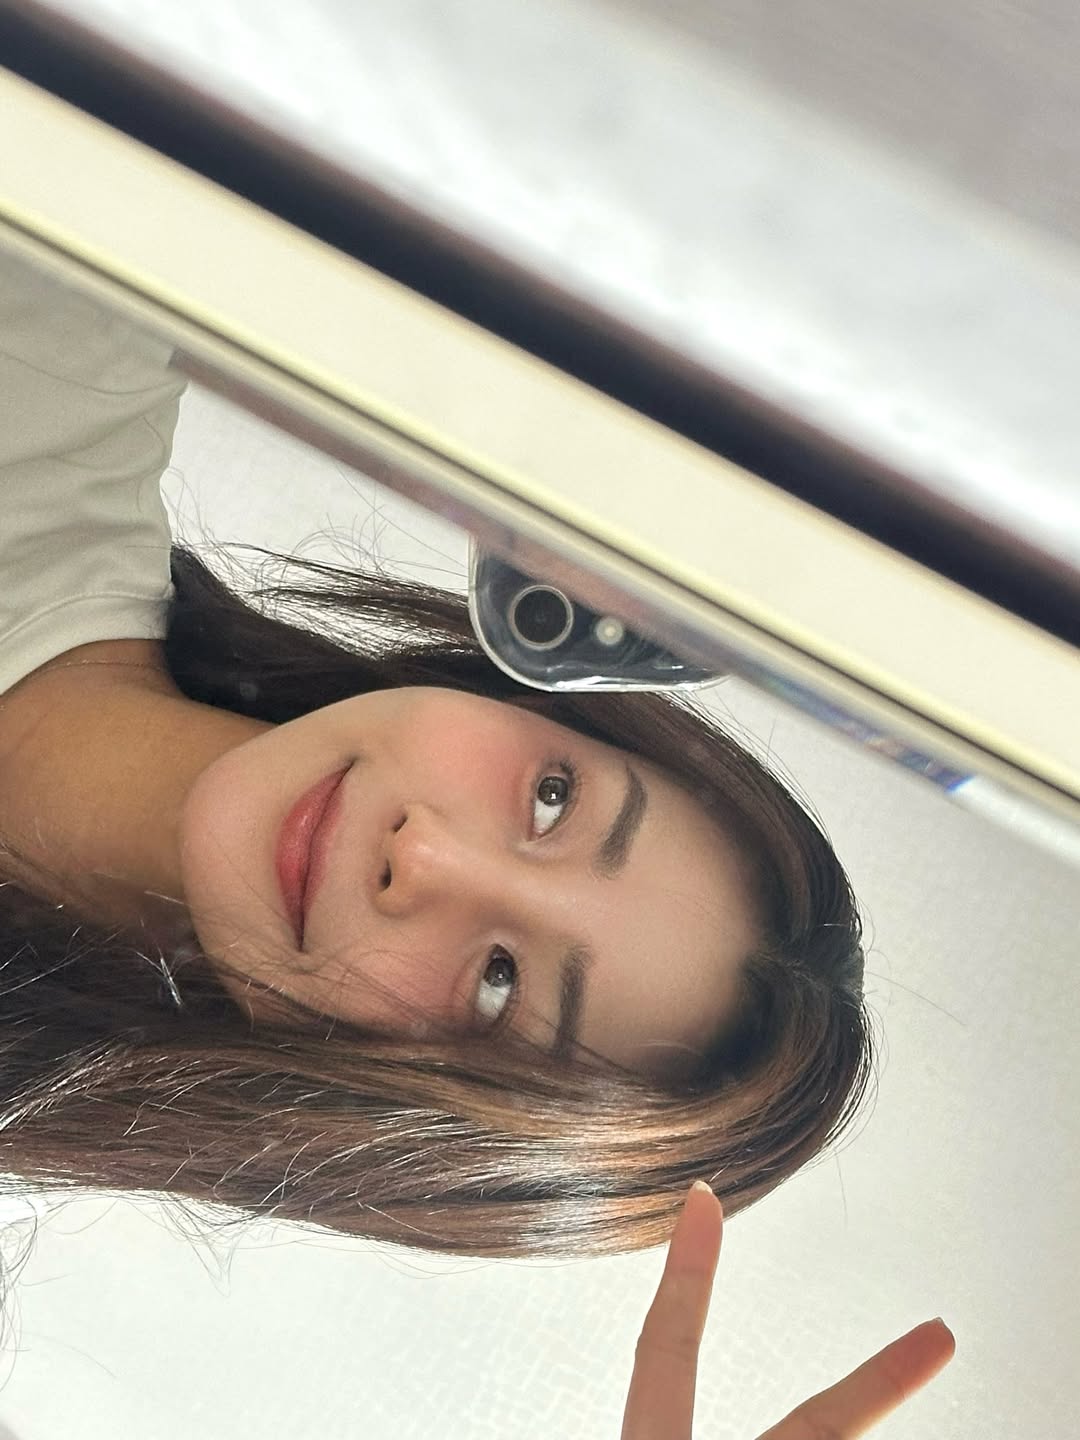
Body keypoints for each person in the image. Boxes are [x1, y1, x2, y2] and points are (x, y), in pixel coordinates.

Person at [0, 249, 872, 1264]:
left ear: (402, 1116)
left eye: (498, 985)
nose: (422, 857)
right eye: (553, 799)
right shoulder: (64, 315)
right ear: (527, 692)